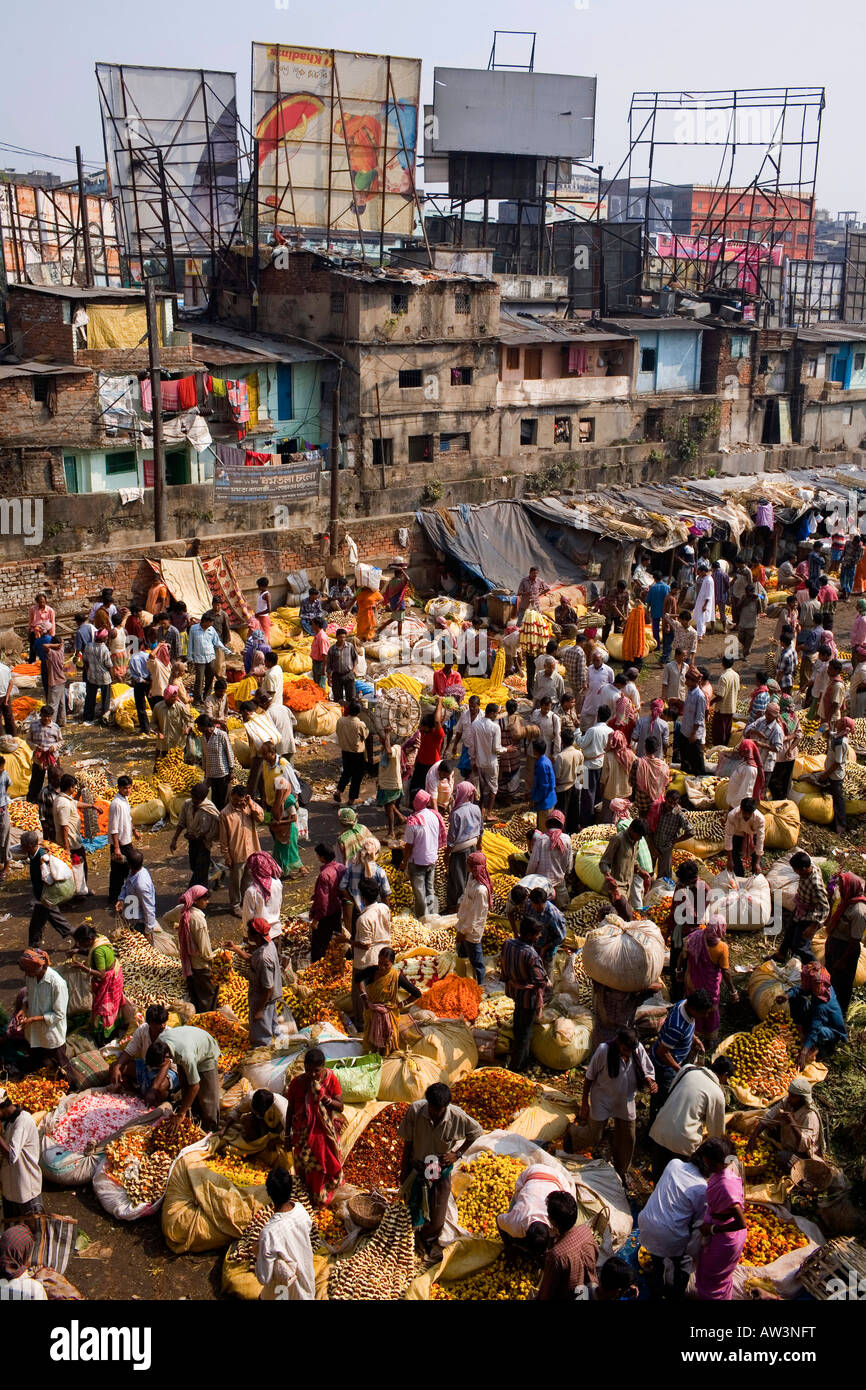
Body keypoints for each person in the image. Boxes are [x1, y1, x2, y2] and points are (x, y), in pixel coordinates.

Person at [399, 1082, 483, 1256]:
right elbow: (407, 1143)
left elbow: (476, 1132)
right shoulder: (416, 1110)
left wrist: (457, 1153)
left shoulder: (456, 1116)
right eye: (432, 1108)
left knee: (437, 1218)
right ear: (427, 1102)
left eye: (439, 1109)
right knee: (411, 1209)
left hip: (439, 1170)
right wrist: (404, 1170)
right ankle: (411, 1242)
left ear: (446, 1106)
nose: (435, 1113)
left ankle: (427, 1241)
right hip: (418, 1168)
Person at [638, 1139, 718, 1300]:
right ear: (709, 1163)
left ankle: (657, 1289)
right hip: (668, 1237)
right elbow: (698, 1225)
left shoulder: (674, 1163)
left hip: (646, 1223)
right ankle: (674, 1294)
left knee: (657, 1261)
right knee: (683, 1265)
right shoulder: (702, 1189)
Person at [578, 1029, 656, 1186]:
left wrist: (650, 1082)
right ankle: (573, 1136)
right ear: (619, 1044)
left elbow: (648, 1070)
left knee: (628, 1137)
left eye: (631, 1050)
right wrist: (585, 1102)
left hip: (625, 1100)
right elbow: (589, 1077)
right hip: (602, 1099)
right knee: (595, 1135)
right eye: (626, 1050)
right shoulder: (603, 1050)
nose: (629, 1054)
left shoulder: (637, 1049)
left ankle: (621, 1171)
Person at [649, 1054, 733, 1181]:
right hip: (683, 1143)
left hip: (660, 1129)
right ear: (725, 1074)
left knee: (658, 1177)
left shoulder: (688, 1069)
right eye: (727, 1078)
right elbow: (717, 1134)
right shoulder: (717, 1093)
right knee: (675, 1182)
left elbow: (673, 1090)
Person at [286, 1048, 344, 1205]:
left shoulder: (331, 1080)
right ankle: (305, 1197)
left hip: (322, 1135)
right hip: (302, 1135)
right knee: (304, 1168)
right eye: (308, 1070)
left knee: (321, 1167)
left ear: (323, 1067)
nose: (312, 1074)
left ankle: (320, 1197)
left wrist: (325, 1099)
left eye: (316, 1071)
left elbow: (340, 1106)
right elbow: (290, 1110)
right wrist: (287, 1135)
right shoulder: (297, 1084)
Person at [693, 1139, 748, 1301]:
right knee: (718, 1277)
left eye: (707, 1161)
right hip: (722, 1227)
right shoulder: (729, 1166)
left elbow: (740, 1222)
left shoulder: (725, 1186)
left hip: (725, 1237)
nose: (705, 1163)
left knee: (713, 1281)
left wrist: (711, 1230)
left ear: (717, 1163)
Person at [649, 989, 714, 1118]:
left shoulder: (684, 1003)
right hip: (664, 1067)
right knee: (662, 1099)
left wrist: (694, 1039)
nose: (705, 1016)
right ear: (694, 1009)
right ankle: (654, 1126)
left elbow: (688, 1026)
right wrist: (679, 1070)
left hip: (675, 1057)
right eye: (703, 1013)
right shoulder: (676, 1027)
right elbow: (662, 1052)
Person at [255, 1167, 315, 1301]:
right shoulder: (300, 1210)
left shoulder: (269, 1233)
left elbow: (264, 1277)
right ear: (290, 1189)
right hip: (307, 1288)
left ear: (268, 1193)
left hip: (284, 1293)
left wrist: (258, 1252)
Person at [147, 1025, 221, 1131]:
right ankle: (193, 1116)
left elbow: (195, 1086)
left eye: (160, 1065)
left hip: (206, 1052)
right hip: (188, 1043)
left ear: (167, 1057)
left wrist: (180, 1114)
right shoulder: (160, 1042)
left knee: (208, 1098)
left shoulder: (185, 1056)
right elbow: (170, 1067)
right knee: (185, 1086)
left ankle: (211, 1128)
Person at [501, 919, 548, 1074]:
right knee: (525, 1032)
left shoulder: (508, 944)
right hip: (529, 997)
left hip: (515, 992)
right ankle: (518, 1066)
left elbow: (503, 965)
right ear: (528, 935)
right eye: (537, 934)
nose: (539, 936)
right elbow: (541, 980)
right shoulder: (531, 955)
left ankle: (519, 1056)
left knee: (518, 1023)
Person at [227, 917, 282, 1047]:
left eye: (249, 931)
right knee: (272, 1026)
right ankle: (279, 1048)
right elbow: (252, 959)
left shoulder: (264, 958)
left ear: (255, 935)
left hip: (263, 1000)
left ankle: (263, 1058)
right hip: (268, 999)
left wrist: (259, 1010)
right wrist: (235, 948)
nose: (247, 933)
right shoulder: (268, 945)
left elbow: (267, 988)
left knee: (261, 1037)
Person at [682, 917, 739, 1040]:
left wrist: (678, 971)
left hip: (691, 982)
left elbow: (682, 956)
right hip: (710, 988)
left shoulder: (694, 937)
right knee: (710, 1011)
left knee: (694, 1006)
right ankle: (709, 1037)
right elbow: (725, 971)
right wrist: (733, 991)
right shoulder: (722, 948)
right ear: (721, 929)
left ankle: (693, 1033)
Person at [536, 1191, 599, 1302]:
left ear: (552, 1221)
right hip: (590, 1288)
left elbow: (547, 1292)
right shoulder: (586, 1231)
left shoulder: (556, 1256)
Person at [14, 948, 69, 1075]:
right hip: (33, 1031)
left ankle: (70, 1086)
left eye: (29, 972)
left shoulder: (57, 983)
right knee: (36, 1060)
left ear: (39, 968)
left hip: (51, 1033)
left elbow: (59, 1014)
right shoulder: (31, 977)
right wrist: (23, 1009)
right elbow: (28, 995)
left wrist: (32, 1019)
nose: (27, 975)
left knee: (62, 1065)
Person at [69, 924, 125, 1045]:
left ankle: (105, 1037)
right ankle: (112, 1030)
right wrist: (78, 951)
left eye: (80, 943)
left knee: (104, 1010)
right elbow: (90, 950)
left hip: (110, 981)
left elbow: (101, 974)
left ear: (89, 940)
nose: (79, 945)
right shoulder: (99, 938)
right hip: (116, 973)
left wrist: (82, 967)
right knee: (113, 1007)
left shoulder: (98, 951)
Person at [749, 1077, 826, 1165]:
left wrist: (792, 1122)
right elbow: (768, 1117)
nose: (789, 1098)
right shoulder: (788, 1102)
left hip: (803, 1154)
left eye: (793, 1096)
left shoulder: (810, 1116)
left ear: (802, 1098)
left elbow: (804, 1146)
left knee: (781, 1157)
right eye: (789, 1094)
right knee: (765, 1127)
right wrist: (753, 1137)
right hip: (787, 1141)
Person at [360, 945, 421, 1054]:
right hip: (371, 1014)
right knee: (370, 1043)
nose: (382, 967)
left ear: (392, 964)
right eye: (380, 963)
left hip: (388, 1016)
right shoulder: (372, 971)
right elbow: (357, 978)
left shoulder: (396, 977)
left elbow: (417, 993)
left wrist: (400, 1005)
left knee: (388, 1045)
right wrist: (364, 997)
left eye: (386, 965)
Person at [788, 963, 847, 1068]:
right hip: (816, 1015)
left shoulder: (822, 1003)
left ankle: (819, 1048)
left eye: (818, 986)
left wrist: (803, 1053)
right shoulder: (817, 984)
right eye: (814, 986)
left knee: (816, 1031)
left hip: (831, 1030)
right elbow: (801, 989)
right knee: (796, 999)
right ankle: (801, 1032)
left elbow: (815, 1028)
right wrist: (786, 995)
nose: (818, 988)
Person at [20, 831, 73, 949]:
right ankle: (34, 948)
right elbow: (14, 850)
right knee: (47, 923)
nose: (20, 846)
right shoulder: (32, 853)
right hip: (41, 897)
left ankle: (34, 950)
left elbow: (49, 880)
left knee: (38, 925)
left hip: (46, 898)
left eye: (22, 844)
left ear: (29, 846)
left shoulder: (42, 858)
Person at [823, 871, 866, 1016]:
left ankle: (839, 1013)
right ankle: (828, 1006)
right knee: (831, 978)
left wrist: (843, 961)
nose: (840, 889)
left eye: (842, 886)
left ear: (851, 887)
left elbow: (854, 942)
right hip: (835, 945)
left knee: (842, 984)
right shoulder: (846, 901)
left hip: (845, 949)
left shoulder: (859, 911)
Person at [775, 850, 830, 965]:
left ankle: (816, 969)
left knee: (800, 946)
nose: (795, 872)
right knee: (790, 931)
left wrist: (813, 926)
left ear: (804, 869)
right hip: (800, 908)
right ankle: (781, 955)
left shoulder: (815, 883)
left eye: (796, 870)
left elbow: (825, 907)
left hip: (809, 916)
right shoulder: (809, 868)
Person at [169, 885, 217, 1013]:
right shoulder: (198, 920)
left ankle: (196, 1016)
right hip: (201, 965)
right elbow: (205, 951)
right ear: (196, 900)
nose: (208, 902)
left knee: (194, 993)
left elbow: (166, 918)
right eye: (205, 900)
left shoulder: (181, 910)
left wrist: (179, 927)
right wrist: (215, 960)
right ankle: (205, 1018)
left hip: (187, 962)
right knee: (208, 995)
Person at [0, 1088, 43, 1224]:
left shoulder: (23, 1121)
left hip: (26, 1189)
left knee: (34, 1233)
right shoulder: (5, 1122)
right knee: (12, 1233)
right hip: (9, 1189)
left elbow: (12, 1156)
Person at [219, 784, 264, 916]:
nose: (238, 803)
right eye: (235, 801)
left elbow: (261, 818)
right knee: (235, 882)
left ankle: (246, 902)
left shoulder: (249, 807)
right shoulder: (225, 814)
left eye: (241, 801)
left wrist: (251, 803)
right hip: (236, 854)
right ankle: (235, 905)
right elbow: (223, 837)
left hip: (252, 852)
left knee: (249, 880)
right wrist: (226, 855)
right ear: (231, 797)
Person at [170, 781, 220, 890]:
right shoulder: (188, 804)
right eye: (193, 797)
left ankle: (199, 894)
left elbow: (218, 825)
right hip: (192, 841)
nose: (194, 800)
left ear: (203, 798)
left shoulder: (209, 808)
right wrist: (175, 839)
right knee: (194, 866)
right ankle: (217, 873)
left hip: (204, 843)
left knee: (199, 872)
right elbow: (181, 822)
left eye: (197, 798)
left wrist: (205, 837)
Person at [402, 790, 444, 919]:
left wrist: (404, 862)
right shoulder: (434, 815)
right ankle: (432, 915)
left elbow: (408, 846)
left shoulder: (413, 821)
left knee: (420, 892)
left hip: (418, 861)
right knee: (430, 888)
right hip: (432, 858)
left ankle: (422, 919)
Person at [599, 818, 650, 921]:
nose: (639, 839)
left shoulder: (635, 842)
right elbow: (604, 862)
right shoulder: (618, 839)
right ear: (631, 829)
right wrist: (608, 877)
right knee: (626, 916)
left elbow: (633, 860)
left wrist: (640, 871)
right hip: (616, 887)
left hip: (628, 886)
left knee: (622, 918)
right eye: (639, 835)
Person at [455, 851, 493, 985]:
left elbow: (475, 917)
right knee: (464, 955)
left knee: (477, 961)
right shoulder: (472, 877)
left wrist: (463, 931)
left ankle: (480, 985)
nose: (466, 866)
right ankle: (465, 979)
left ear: (473, 867)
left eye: (468, 864)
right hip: (463, 923)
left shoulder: (481, 890)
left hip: (471, 930)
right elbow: (466, 896)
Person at [445, 780, 483, 910]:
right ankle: (468, 903)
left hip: (460, 851)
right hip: (473, 846)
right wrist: (479, 849)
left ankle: (457, 907)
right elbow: (481, 830)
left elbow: (451, 838)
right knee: (469, 877)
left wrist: (446, 854)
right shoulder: (476, 808)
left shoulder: (456, 814)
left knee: (458, 879)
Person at [526, 809, 573, 909]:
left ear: (547, 824)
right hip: (559, 880)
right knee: (562, 909)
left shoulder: (541, 840)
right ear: (562, 824)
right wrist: (567, 872)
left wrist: (528, 878)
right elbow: (569, 862)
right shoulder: (566, 839)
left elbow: (533, 863)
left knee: (542, 910)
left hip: (542, 884)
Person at [309, 845, 345, 963]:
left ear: (322, 858)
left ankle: (319, 968)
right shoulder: (341, 868)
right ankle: (338, 960)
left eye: (318, 855)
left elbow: (323, 902)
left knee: (319, 944)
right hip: (337, 909)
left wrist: (316, 920)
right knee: (335, 938)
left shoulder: (324, 875)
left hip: (326, 914)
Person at [648, 788, 694, 883]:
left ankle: (659, 893)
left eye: (674, 803)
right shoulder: (657, 808)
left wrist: (675, 841)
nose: (671, 805)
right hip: (653, 843)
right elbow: (649, 828)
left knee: (664, 876)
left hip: (666, 848)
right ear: (665, 799)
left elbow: (691, 832)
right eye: (669, 802)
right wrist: (652, 847)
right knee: (648, 870)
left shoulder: (679, 814)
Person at [107, 775, 140, 902]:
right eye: (125, 788)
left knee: (123, 870)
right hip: (120, 844)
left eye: (130, 787)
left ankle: (122, 895)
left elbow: (128, 819)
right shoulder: (116, 804)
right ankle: (115, 897)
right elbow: (113, 829)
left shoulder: (125, 800)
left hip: (127, 841)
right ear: (119, 788)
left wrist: (134, 831)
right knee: (118, 872)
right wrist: (116, 848)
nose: (128, 790)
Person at [187, 612, 231, 704]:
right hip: (199, 658)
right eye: (209, 623)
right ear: (204, 621)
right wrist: (190, 657)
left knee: (210, 678)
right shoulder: (194, 629)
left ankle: (207, 697)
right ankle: (197, 699)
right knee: (199, 679)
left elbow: (217, 642)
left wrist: (226, 650)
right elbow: (190, 643)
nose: (210, 625)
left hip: (210, 657)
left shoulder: (211, 629)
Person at [333, 699, 367, 807]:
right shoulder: (360, 724)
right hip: (357, 753)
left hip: (345, 751)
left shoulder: (341, 721)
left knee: (346, 772)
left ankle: (338, 791)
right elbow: (365, 735)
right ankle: (352, 799)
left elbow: (338, 732)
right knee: (357, 776)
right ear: (358, 712)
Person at [25, 706, 62, 804]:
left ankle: (53, 799)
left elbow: (60, 742)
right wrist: (35, 747)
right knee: (37, 779)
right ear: (40, 715)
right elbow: (28, 740)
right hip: (39, 758)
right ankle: (33, 800)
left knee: (54, 778)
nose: (46, 719)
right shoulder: (34, 726)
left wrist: (54, 747)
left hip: (52, 757)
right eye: (44, 716)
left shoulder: (55, 727)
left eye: (49, 716)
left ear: (51, 716)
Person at [197, 714, 234, 811]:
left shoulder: (221, 735)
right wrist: (205, 772)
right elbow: (204, 755)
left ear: (205, 725)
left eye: (199, 726)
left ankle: (223, 818)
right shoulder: (203, 738)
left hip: (222, 772)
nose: (198, 729)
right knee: (214, 798)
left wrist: (231, 770)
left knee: (223, 799)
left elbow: (229, 752)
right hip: (211, 774)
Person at [724, 796, 766, 877]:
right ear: (741, 809)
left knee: (757, 862)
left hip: (753, 834)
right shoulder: (732, 815)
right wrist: (730, 859)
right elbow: (728, 836)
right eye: (744, 813)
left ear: (753, 812)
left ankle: (756, 875)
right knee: (735, 856)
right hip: (737, 833)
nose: (746, 816)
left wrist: (757, 863)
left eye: (749, 814)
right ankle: (739, 876)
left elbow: (760, 841)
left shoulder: (760, 819)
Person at [601, 729, 635, 820]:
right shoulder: (631, 754)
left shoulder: (608, 756)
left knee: (608, 820)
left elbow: (604, 778)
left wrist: (601, 791)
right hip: (626, 792)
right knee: (623, 818)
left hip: (610, 794)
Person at [679, 666, 707, 776]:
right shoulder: (690, 692)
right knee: (685, 758)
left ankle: (700, 778)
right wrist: (678, 701)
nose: (686, 683)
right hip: (685, 730)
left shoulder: (700, 696)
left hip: (693, 735)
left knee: (696, 760)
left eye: (688, 680)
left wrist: (693, 734)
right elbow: (688, 708)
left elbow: (699, 718)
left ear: (693, 681)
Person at [554, 727, 583, 832]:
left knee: (562, 813)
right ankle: (573, 831)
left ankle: (563, 832)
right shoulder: (579, 753)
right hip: (575, 786)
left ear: (563, 741)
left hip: (562, 788)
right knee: (573, 812)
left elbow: (556, 776)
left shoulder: (560, 757)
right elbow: (581, 772)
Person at [81, 627, 113, 723]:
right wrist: (112, 676)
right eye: (106, 637)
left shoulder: (88, 646)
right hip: (104, 677)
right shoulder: (104, 649)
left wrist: (88, 671)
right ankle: (104, 718)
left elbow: (85, 660)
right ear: (103, 638)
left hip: (92, 676)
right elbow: (109, 665)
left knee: (90, 697)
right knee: (105, 699)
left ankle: (88, 716)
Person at [711, 656, 740, 748]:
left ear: (723, 663)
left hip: (722, 709)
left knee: (719, 732)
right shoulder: (736, 675)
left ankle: (719, 748)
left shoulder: (723, 677)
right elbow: (737, 690)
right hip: (731, 707)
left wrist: (712, 701)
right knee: (727, 730)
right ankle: (725, 747)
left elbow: (720, 696)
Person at [529, 738, 557, 831]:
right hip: (548, 799)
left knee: (544, 829)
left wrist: (534, 800)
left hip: (545, 802)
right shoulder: (545, 760)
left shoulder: (542, 765)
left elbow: (544, 787)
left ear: (535, 751)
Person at [382, 564, 410, 636]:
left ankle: (379, 629)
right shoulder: (399, 582)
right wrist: (402, 570)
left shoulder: (391, 581)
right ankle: (400, 635)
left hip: (393, 602)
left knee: (393, 618)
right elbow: (408, 579)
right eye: (401, 574)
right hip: (398, 603)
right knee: (400, 620)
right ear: (400, 574)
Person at [737, 584, 762, 659]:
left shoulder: (757, 599)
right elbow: (738, 607)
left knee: (749, 640)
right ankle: (746, 648)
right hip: (742, 623)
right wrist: (746, 600)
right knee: (741, 638)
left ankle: (746, 654)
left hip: (752, 624)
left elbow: (759, 610)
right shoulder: (743, 597)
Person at [646, 572, 671, 647]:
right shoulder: (667, 587)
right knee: (665, 626)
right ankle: (666, 643)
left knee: (655, 628)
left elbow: (648, 601)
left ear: (654, 578)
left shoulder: (652, 588)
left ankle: (657, 645)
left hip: (655, 611)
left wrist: (647, 610)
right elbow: (670, 600)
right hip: (665, 612)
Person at [693, 560, 716, 641]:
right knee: (702, 619)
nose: (699, 574)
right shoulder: (706, 579)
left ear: (703, 571)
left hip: (704, 603)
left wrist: (705, 605)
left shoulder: (709, 580)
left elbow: (709, 594)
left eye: (699, 572)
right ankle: (702, 633)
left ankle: (700, 635)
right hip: (703, 602)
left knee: (701, 619)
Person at [310, 617, 330, 689]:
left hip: (320, 664)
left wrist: (323, 670)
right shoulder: (317, 635)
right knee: (316, 683)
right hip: (316, 662)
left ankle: (321, 698)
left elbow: (325, 654)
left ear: (317, 625)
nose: (311, 626)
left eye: (312, 624)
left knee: (320, 684)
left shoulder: (322, 637)